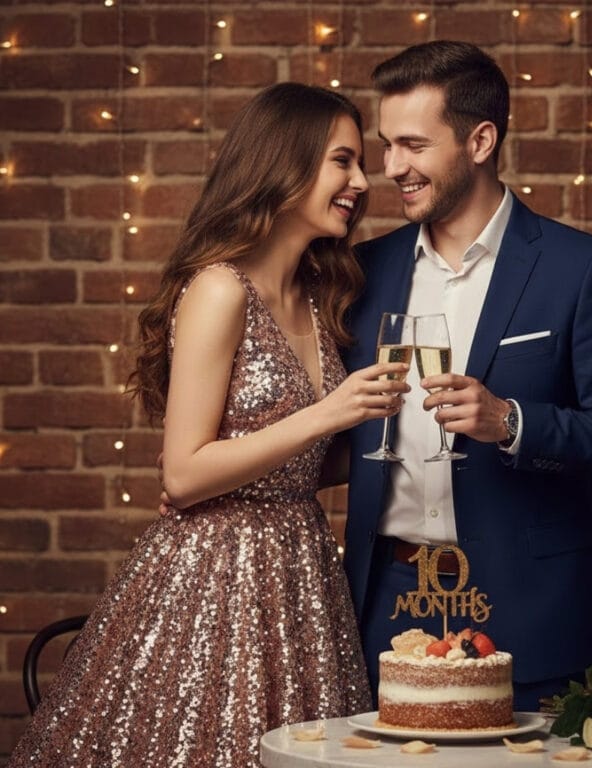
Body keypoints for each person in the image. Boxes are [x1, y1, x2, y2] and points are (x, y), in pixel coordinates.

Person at [9, 83, 410, 768]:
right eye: (343, 161)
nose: (362, 181)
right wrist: (328, 413)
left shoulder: (320, 295)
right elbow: (185, 473)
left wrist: (406, 432)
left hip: (302, 576)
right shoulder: (221, 289)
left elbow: (300, 464)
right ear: (286, 164)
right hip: (214, 580)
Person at [341, 41, 592, 711]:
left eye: (412, 145)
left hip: (531, 613)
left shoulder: (579, 267)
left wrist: (511, 422)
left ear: (480, 140)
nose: (390, 167)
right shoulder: (362, 272)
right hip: (385, 609)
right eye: (386, 145)